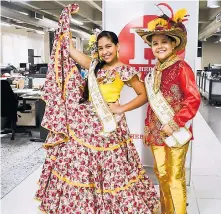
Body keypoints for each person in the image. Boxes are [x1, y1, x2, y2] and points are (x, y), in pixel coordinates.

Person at [35, 4, 159, 213]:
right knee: (81, 165)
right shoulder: (93, 65)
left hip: (109, 127)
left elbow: (144, 95)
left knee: (112, 169)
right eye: (101, 48)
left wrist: (122, 108)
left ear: (118, 46)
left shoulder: (126, 70)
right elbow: (70, 51)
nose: (105, 51)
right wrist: (66, 21)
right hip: (86, 124)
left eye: (108, 46)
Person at [136, 6, 201, 214]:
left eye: (164, 41)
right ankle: (166, 211)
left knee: (175, 177)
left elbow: (193, 99)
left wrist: (175, 123)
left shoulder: (182, 68)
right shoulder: (153, 72)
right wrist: (148, 127)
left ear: (174, 44)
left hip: (175, 132)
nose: (159, 46)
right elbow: (151, 106)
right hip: (157, 134)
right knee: (161, 174)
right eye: (155, 43)